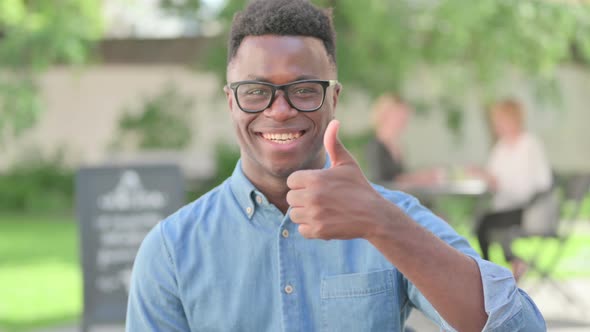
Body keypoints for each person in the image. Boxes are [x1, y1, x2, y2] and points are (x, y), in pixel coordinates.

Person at [126, 1, 546, 331]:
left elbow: (519, 327)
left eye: (304, 90)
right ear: (230, 100)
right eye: (256, 91)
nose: (281, 109)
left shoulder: (388, 217)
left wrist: (382, 225)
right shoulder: (171, 250)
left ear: (334, 98)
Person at [471, 99, 552, 281]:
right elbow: (493, 178)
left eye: (500, 120)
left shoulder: (530, 144)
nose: (497, 125)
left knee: (485, 225)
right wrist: (483, 175)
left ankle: (490, 275)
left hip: (531, 209)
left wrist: (497, 181)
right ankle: (510, 263)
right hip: (507, 207)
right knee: (485, 223)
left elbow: (536, 183)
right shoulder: (500, 147)